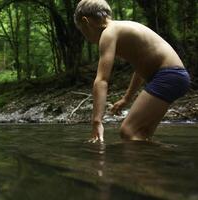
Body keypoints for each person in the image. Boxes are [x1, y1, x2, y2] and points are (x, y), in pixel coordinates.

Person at [74, 0, 190, 143]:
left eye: (82, 31)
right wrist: (126, 99)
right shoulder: (122, 28)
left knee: (128, 131)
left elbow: (102, 80)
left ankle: (164, 162)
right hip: (174, 76)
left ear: (86, 22)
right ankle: (159, 162)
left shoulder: (109, 33)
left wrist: (97, 122)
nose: (85, 37)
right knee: (142, 133)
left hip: (169, 76)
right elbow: (140, 68)